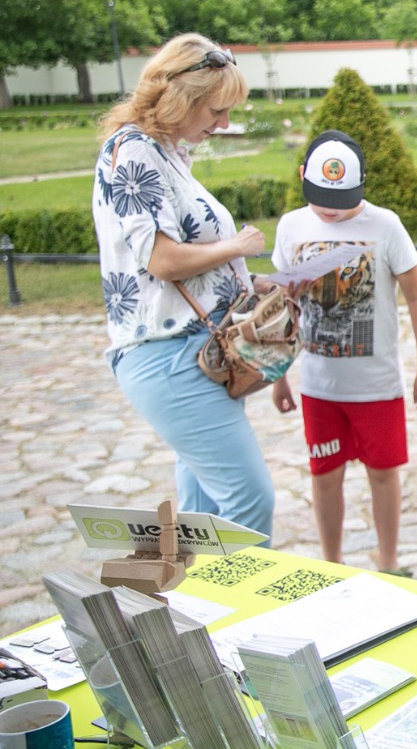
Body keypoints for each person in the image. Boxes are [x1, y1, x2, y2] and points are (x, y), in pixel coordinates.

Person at [90, 33, 278, 540]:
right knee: (249, 503)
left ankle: (201, 611)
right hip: (170, 355)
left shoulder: (163, 152)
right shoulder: (134, 152)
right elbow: (163, 259)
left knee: (204, 515)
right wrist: (237, 248)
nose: (223, 124)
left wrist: (251, 282)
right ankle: (242, 613)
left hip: (192, 351)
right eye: (216, 111)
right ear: (181, 99)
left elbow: (183, 262)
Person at [269, 131, 417, 576]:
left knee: (383, 473)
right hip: (319, 386)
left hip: (377, 385)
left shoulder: (385, 225)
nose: (330, 209)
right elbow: (280, 307)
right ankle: (332, 565)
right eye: (322, 197)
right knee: (324, 475)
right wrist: (278, 373)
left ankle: (388, 563)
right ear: (303, 176)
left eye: (341, 199)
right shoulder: (292, 226)